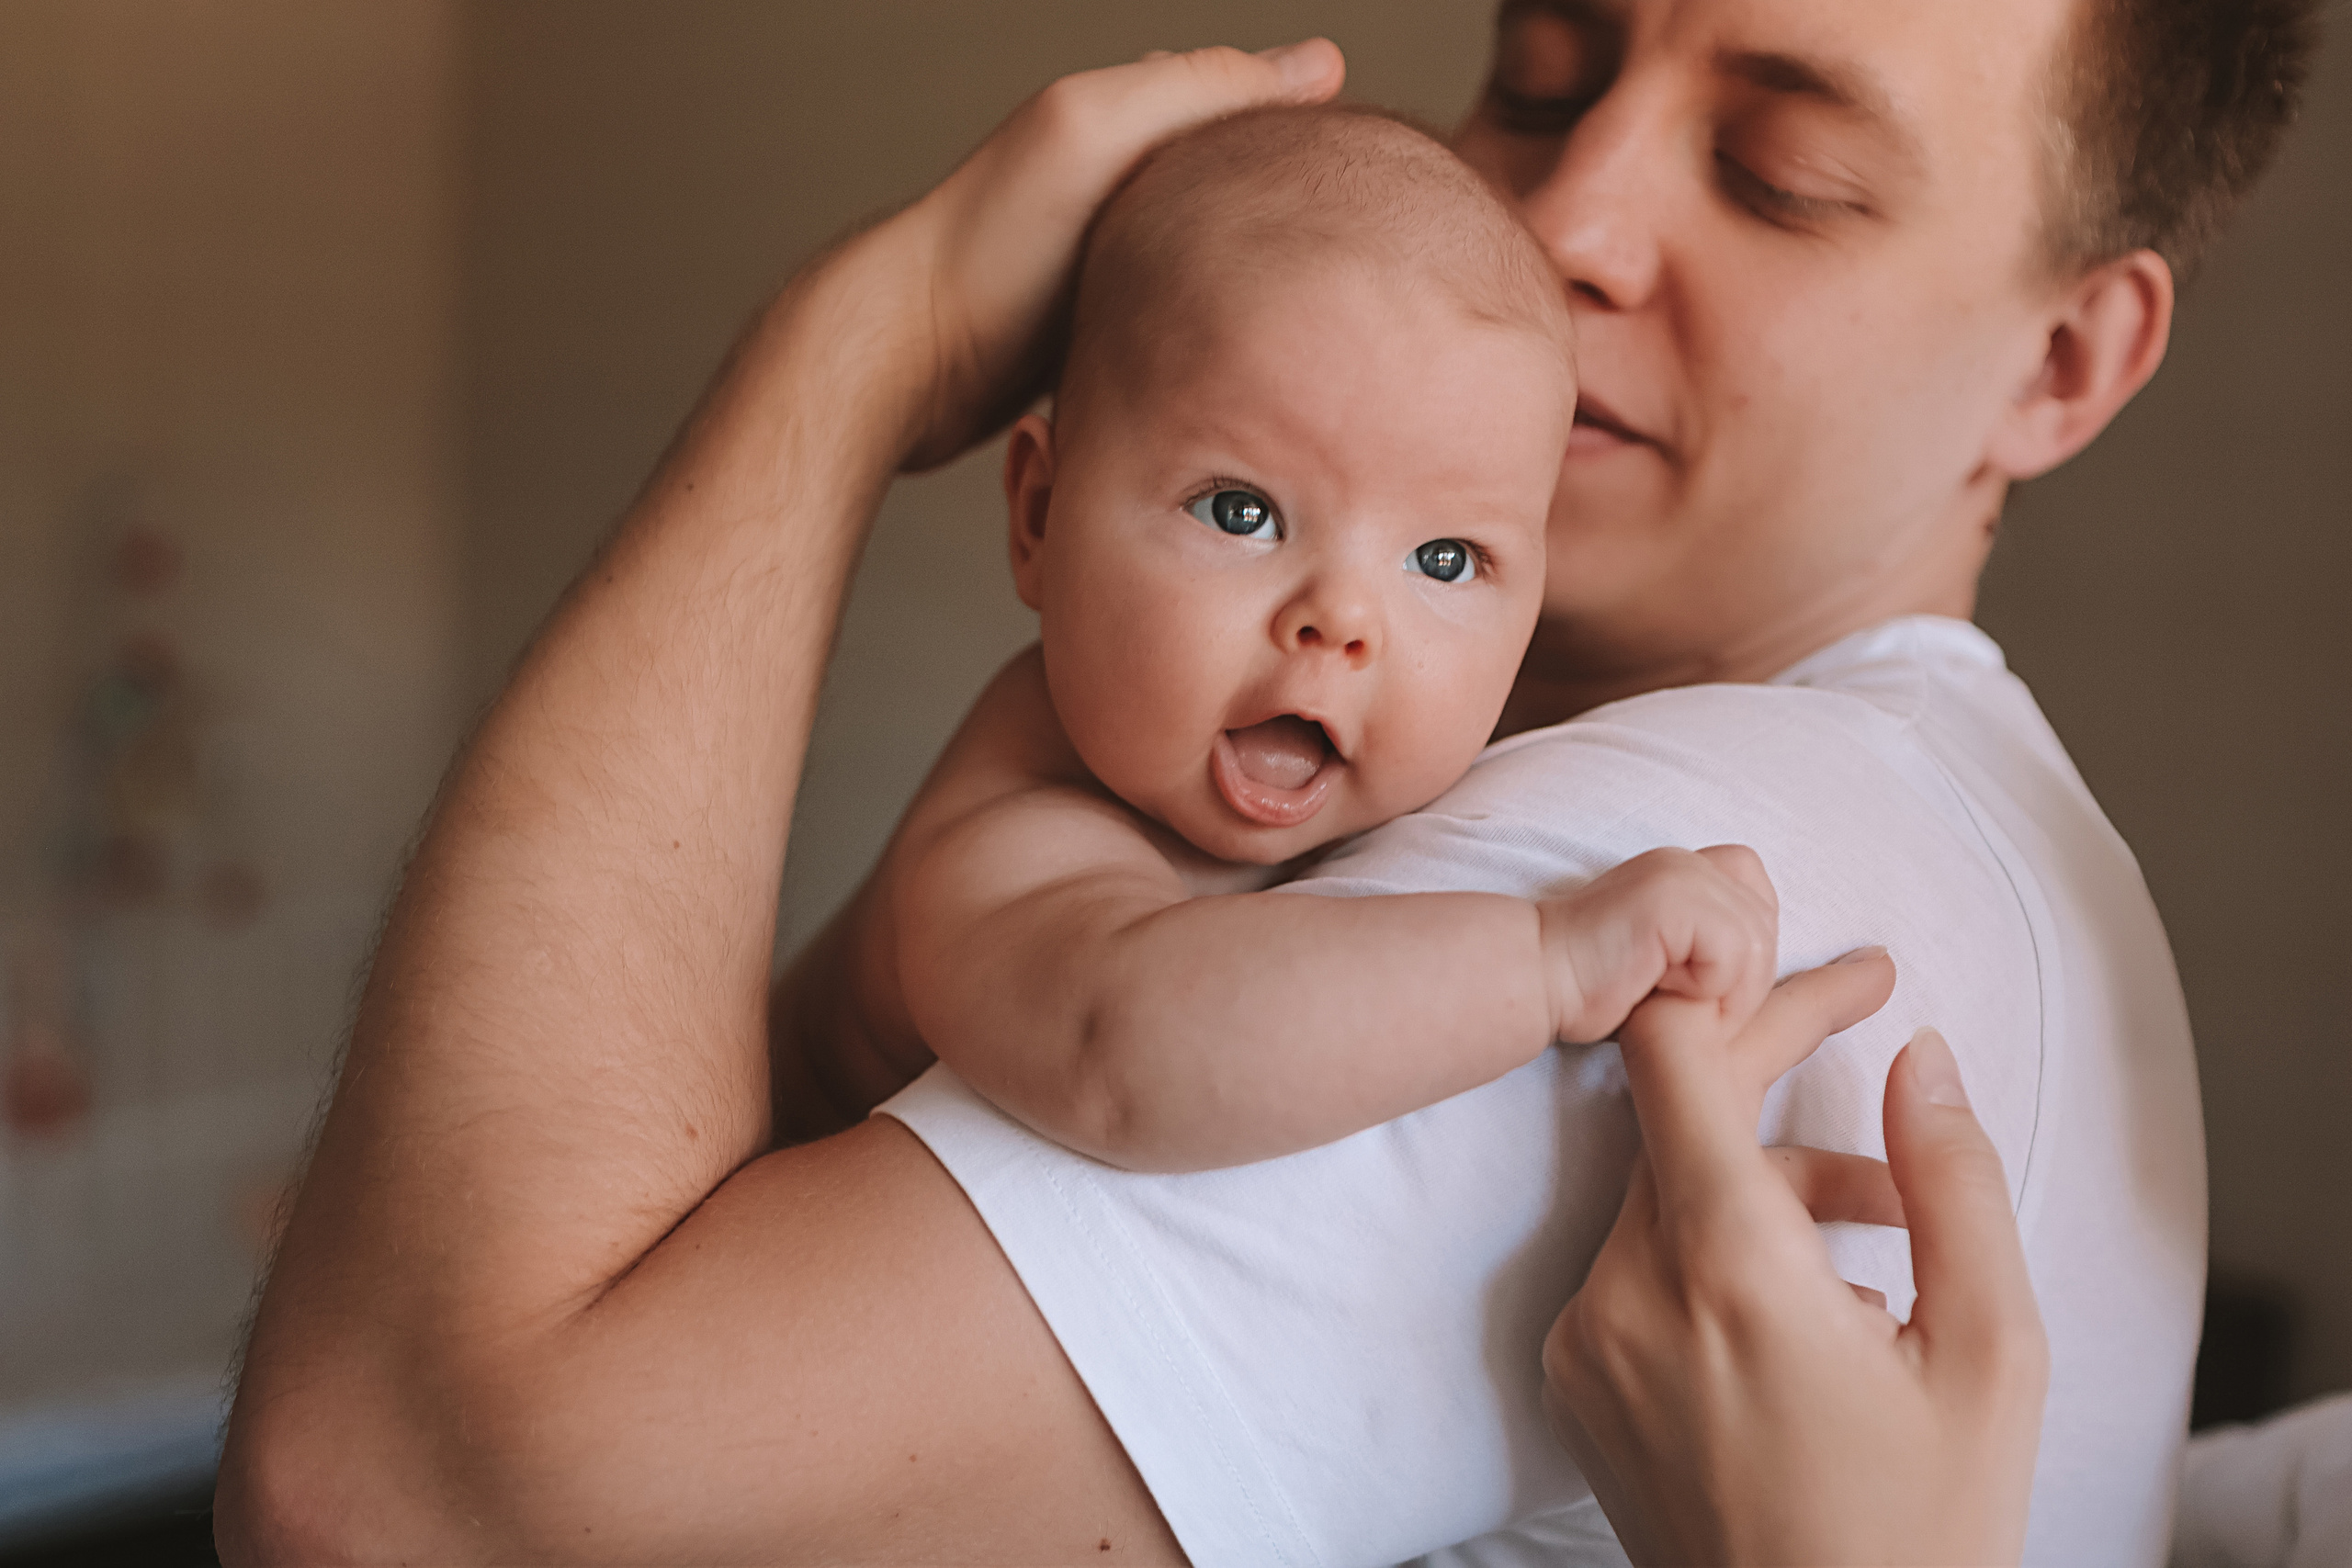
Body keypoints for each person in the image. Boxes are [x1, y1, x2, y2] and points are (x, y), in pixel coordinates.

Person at [214, 3, 2317, 1564]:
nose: (1564, 216)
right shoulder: (1886, 806)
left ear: (2063, 361)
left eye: (1773, 174)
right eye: (1544, 67)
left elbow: (396, 1483)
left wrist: (850, 353)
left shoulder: (1681, 869)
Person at [802, 103, 1784, 1175]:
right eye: (1240, 513)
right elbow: (1125, 1053)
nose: (1343, 620)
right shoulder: (1015, 834)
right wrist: (1551, 962)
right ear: (1039, 514)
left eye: (1444, 560)